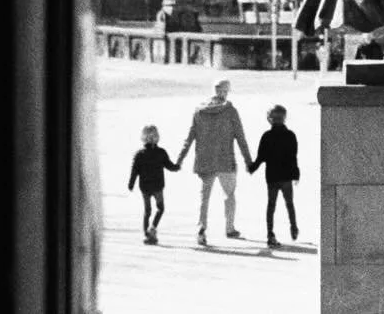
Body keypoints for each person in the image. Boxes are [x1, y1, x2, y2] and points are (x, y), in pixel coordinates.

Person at [178, 79, 252, 246]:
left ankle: (201, 228)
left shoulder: (199, 111)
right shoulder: (230, 111)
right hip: (226, 161)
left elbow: (189, 138)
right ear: (225, 91)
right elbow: (241, 138)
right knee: (230, 195)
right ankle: (229, 228)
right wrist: (249, 161)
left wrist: (180, 159)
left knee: (204, 197)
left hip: (205, 161)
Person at [247, 105, 301, 247]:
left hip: (272, 177)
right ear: (284, 118)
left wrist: (252, 168)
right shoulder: (291, 136)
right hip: (286, 177)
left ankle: (270, 233)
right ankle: (294, 227)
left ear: (270, 119)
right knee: (289, 204)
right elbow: (293, 157)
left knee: (271, 205)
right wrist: (296, 174)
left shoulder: (266, 136)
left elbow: (260, 157)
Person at [127, 125, 180, 243]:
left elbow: (134, 170)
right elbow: (169, 166)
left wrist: (131, 184)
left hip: (145, 187)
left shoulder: (139, 154)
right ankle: (153, 227)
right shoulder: (161, 152)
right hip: (157, 186)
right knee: (160, 208)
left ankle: (146, 233)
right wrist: (177, 167)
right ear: (157, 138)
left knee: (147, 211)